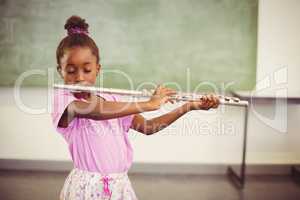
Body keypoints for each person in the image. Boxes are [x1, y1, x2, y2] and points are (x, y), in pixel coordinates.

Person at [51, 15, 220, 200]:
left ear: (97, 69)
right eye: (71, 70)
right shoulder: (64, 100)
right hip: (85, 188)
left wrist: (189, 106)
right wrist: (149, 104)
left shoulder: (113, 98)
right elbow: (95, 110)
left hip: (119, 186)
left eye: (87, 69)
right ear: (60, 71)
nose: (80, 77)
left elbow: (148, 128)